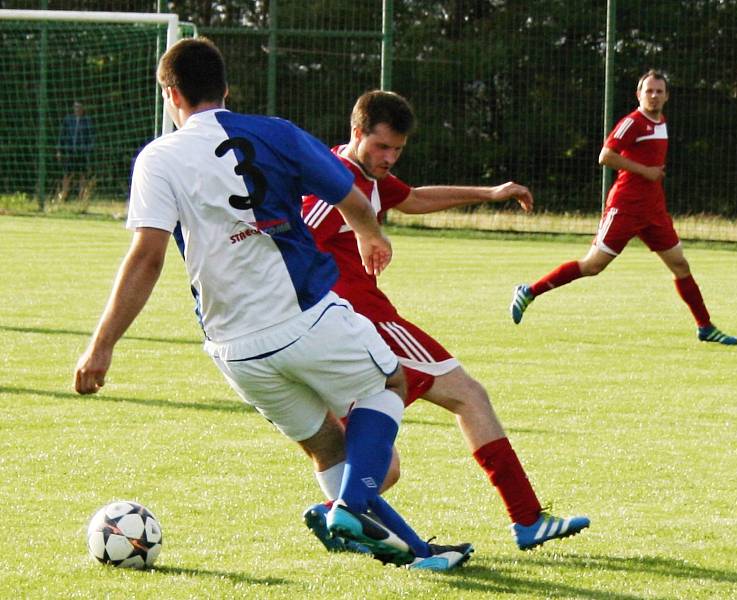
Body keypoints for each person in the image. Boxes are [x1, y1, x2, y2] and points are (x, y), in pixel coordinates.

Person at [72, 38, 472, 571]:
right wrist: (370, 234)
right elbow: (348, 192)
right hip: (302, 313)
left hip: (233, 349)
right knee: (390, 384)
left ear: (170, 93)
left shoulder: (157, 158)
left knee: (330, 448)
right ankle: (349, 509)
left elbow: (146, 257)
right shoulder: (276, 132)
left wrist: (101, 348)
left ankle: (416, 555)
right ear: (226, 90)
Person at [301, 89, 590, 553]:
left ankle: (339, 517)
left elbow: (412, 198)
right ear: (356, 133)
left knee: (382, 466)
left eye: (397, 148)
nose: (390, 157)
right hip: (362, 322)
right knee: (469, 395)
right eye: (381, 146)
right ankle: (527, 519)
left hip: (341, 327)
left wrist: (490, 193)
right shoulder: (335, 178)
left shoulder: (366, 175)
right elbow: (296, 236)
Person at [510, 70, 737, 346]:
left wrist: (651, 178)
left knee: (680, 264)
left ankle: (705, 327)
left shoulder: (662, 122)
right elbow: (605, 156)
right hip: (626, 207)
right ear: (638, 94)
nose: (654, 96)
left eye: (659, 91)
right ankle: (529, 291)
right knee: (593, 265)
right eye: (649, 91)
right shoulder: (632, 122)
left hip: (653, 210)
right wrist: (645, 171)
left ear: (667, 96)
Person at [56, 101, 95, 202]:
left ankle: (81, 197)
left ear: (83, 108)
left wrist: (88, 149)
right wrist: (59, 150)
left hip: (81, 152)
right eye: (75, 107)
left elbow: (91, 137)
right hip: (70, 151)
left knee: (82, 174)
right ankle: (63, 196)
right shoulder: (68, 120)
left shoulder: (87, 121)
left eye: (79, 107)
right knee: (67, 174)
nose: (77, 109)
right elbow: (62, 135)